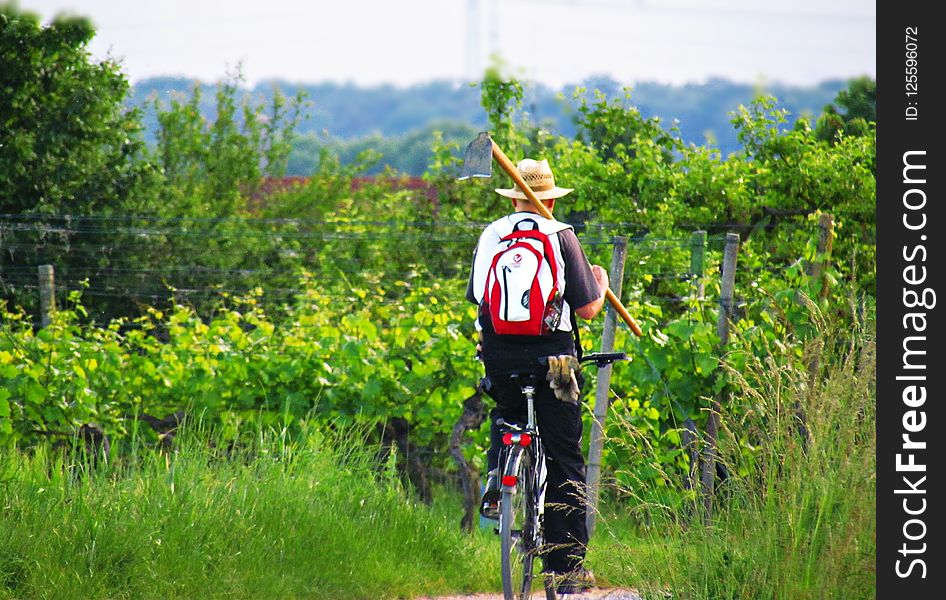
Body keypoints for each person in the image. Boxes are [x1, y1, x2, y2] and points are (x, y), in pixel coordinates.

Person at [466, 158, 608, 594]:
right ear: (549, 197)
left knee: (506, 414)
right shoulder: (562, 235)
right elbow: (586, 309)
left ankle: (497, 482)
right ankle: (567, 569)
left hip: (500, 357)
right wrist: (599, 284)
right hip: (556, 363)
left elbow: (477, 297)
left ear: (512, 197)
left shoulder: (493, 234)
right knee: (564, 453)